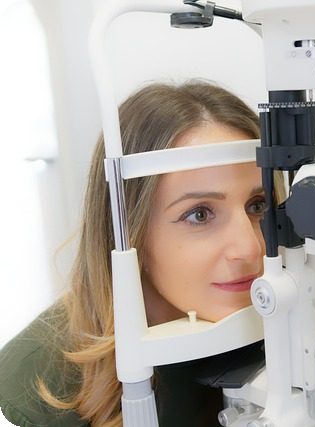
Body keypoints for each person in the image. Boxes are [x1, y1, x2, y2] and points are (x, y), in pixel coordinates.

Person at [0, 79, 285, 427]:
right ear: (127, 231)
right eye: (199, 214)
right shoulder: (24, 402)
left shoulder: (258, 325)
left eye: (257, 205)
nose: (250, 248)